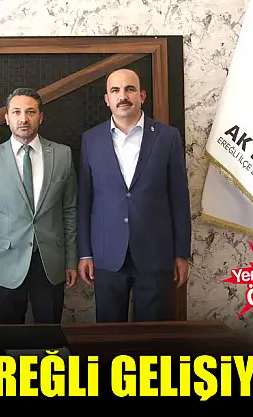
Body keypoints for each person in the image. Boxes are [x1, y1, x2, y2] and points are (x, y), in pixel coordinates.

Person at [77, 68, 191, 322]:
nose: (123, 96)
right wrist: (85, 253)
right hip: (106, 255)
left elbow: (179, 200)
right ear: (107, 99)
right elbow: (84, 200)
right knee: (109, 336)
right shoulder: (90, 140)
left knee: (155, 337)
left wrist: (181, 253)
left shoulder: (168, 137)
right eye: (115, 90)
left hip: (156, 254)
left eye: (129, 89)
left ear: (142, 95)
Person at [0, 88, 78, 324]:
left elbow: (70, 211)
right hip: (5, 263)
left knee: (50, 335)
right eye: (16, 112)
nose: (23, 119)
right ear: (7, 118)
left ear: (40, 117)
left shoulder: (63, 155)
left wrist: (71, 260)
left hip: (50, 263)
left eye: (30, 112)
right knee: (10, 337)